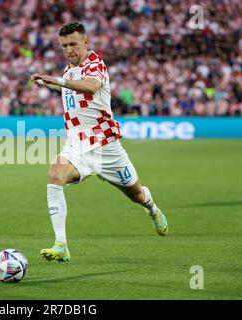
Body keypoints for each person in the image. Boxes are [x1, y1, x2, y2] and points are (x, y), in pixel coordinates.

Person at [31, 22, 168, 263]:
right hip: (78, 146)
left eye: (73, 44)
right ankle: (61, 244)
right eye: (64, 45)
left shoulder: (96, 63)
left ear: (85, 42)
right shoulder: (67, 72)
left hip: (107, 147)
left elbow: (91, 87)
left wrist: (55, 81)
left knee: (136, 194)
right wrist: (49, 84)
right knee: (55, 174)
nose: (69, 49)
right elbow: (73, 95)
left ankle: (152, 208)